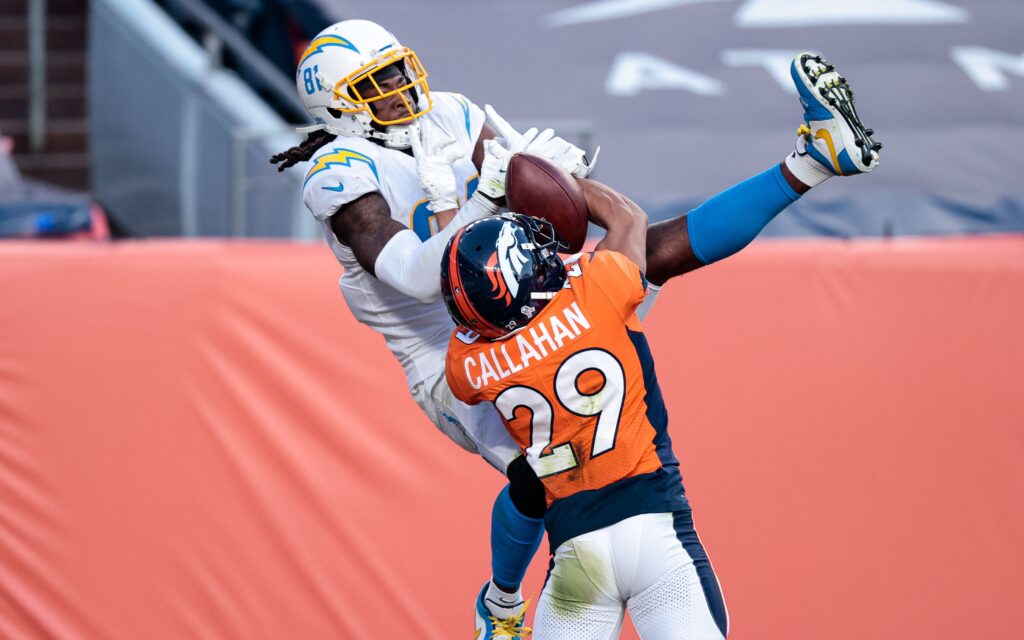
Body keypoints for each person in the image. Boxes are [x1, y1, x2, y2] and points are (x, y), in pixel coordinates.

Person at [270, 16, 879, 636]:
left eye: (399, 70)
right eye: (379, 83)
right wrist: (495, 198)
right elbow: (418, 277)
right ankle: (503, 605)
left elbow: (540, 202)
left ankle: (810, 162)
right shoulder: (335, 172)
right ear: (341, 109)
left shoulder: (446, 112)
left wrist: (563, 180)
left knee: (651, 253)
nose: (402, 88)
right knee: (540, 472)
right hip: (447, 347)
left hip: (515, 286)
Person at [439, 56, 879, 638]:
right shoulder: (596, 292)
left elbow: (463, 290)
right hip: (657, 532)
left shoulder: (467, 365)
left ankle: (499, 606)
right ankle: (808, 165)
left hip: (577, 561)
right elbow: (627, 217)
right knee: (660, 249)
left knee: (524, 481)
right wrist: (566, 183)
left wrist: (465, 205)